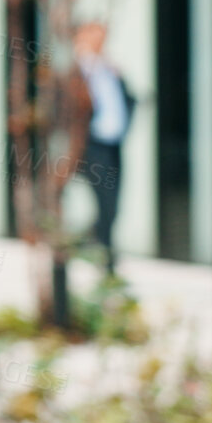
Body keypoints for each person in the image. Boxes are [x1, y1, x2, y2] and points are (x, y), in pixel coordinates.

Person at [59, 21, 137, 274]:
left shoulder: (109, 70)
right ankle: (105, 262)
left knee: (112, 206)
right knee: (103, 201)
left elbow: (126, 101)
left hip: (113, 146)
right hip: (90, 148)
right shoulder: (75, 74)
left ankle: (95, 248)